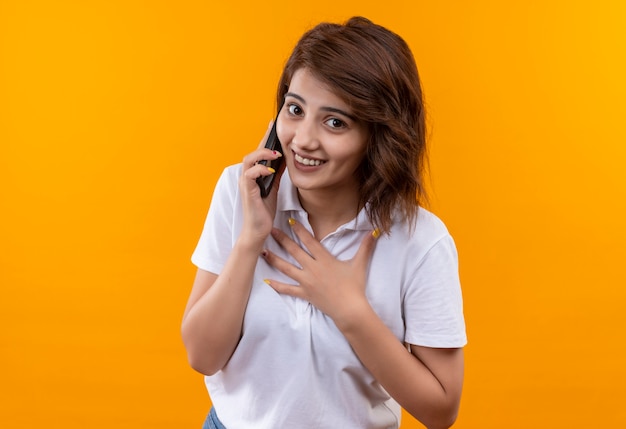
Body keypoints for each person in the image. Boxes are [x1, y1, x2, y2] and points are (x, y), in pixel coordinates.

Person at [182, 16, 466, 429]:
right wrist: (250, 238)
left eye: (335, 122)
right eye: (295, 109)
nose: (303, 139)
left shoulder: (420, 241)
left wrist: (349, 310)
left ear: (380, 135)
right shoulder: (240, 190)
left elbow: (441, 410)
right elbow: (202, 357)